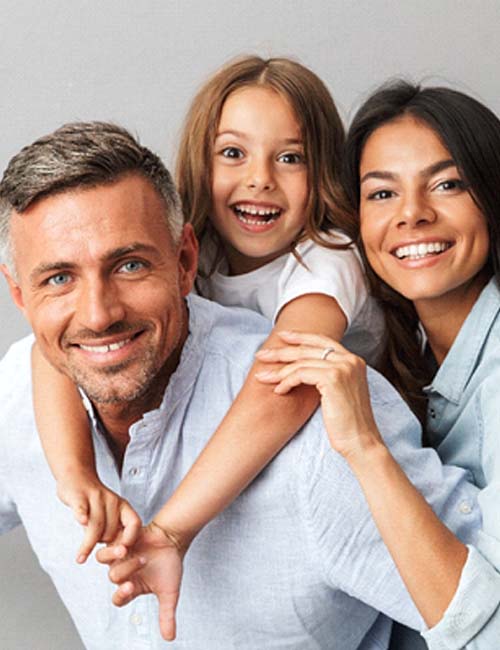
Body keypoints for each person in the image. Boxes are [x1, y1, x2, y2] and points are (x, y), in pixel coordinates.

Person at [0, 120, 485, 650]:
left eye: (130, 265)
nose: (98, 314)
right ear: (20, 295)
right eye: (59, 279)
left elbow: (484, 620)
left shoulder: (326, 429)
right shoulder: (21, 389)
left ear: (186, 262)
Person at [32, 57, 382, 578]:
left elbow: (283, 384)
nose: (260, 179)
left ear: (323, 171)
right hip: (240, 449)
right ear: (201, 162)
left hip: (341, 465)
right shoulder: (196, 251)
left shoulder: (328, 258)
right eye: (233, 153)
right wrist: (77, 474)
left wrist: (173, 530)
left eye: (290, 158)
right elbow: (52, 352)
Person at [255, 81, 500, 649]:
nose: (413, 215)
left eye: (448, 184)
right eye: (383, 194)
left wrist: (365, 446)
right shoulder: (396, 345)